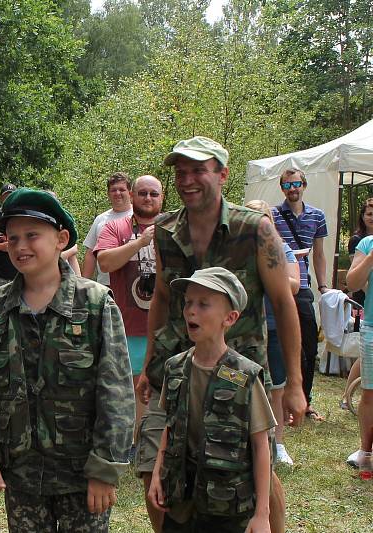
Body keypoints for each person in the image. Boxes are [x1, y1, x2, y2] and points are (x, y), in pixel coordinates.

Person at [135, 136, 304, 533]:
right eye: (180, 172)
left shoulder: (255, 229)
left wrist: (294, 382)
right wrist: (149, 365)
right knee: (152, 467)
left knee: (253, 466)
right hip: (174, 369)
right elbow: (161, 296)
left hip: (236, 375)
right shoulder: (165, 230)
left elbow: (283, 302)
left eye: (198, 170)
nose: (187, 179)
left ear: (222, 175)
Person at [0, 188, 134, 532]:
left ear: (61, 239)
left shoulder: (96, 305)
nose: (21, 246)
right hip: (21, 474)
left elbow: (116, 392)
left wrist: (105, 468)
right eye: (12, 239)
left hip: (82, 475)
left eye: (32, 236)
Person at [148, 267, 275, 532]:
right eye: (188, 303)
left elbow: (261, 446)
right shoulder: (175, 367)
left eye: (203, 304)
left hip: (226, 507)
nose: (191, 311)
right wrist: (157, 475)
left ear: (229, 318)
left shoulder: (244, 375)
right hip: (181, 502)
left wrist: (262, 514)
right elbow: (169, 427)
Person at [94, 175, 164, 454]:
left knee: (165, 385)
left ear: (162, 199)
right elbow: (105, 261)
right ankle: (136, 442)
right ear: (132, 197)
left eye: (154, 194)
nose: (148, 198)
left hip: (166, 324)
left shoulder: (174, 228)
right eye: (143, 193)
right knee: (134, 387)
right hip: (130, 323)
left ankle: (160, 442)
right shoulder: (115, 227)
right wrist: (139, 242)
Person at [245, 200, 301, 467]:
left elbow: (294, 286)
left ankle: (278, 444)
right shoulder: (237, 250)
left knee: (277, 387)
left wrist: (267, 273)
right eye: (252, 216)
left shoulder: (283, 249)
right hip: (244, 331)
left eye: (262, 216)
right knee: (241, 384)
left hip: (274, 328)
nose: (258, 222)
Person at [271, 167, 329, 421]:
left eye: (296, 184)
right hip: (278, 287)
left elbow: (319, 253)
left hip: (302, 287)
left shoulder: (317, 216)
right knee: (276, 344)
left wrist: (323, 285)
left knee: (307, 346)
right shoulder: (272, 214)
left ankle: (305, 401)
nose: (292, 189)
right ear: (281, 188)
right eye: (286, 185)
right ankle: (279, 402)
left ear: (304, 185)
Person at [343, 230, 373, 472]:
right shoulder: (367, 243)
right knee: (370, 393)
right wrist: (371, 257)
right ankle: (365, 451)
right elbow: (352, 284)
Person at [81, 172, 134, 285]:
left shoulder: (139, 216)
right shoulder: (100, 220)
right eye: (113, 190)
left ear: (130, 193)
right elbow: (91, 253)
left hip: (134, 284)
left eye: (122, 189)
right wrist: (83, 284)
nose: (117, 193)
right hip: (106, 285)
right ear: (108, 194)